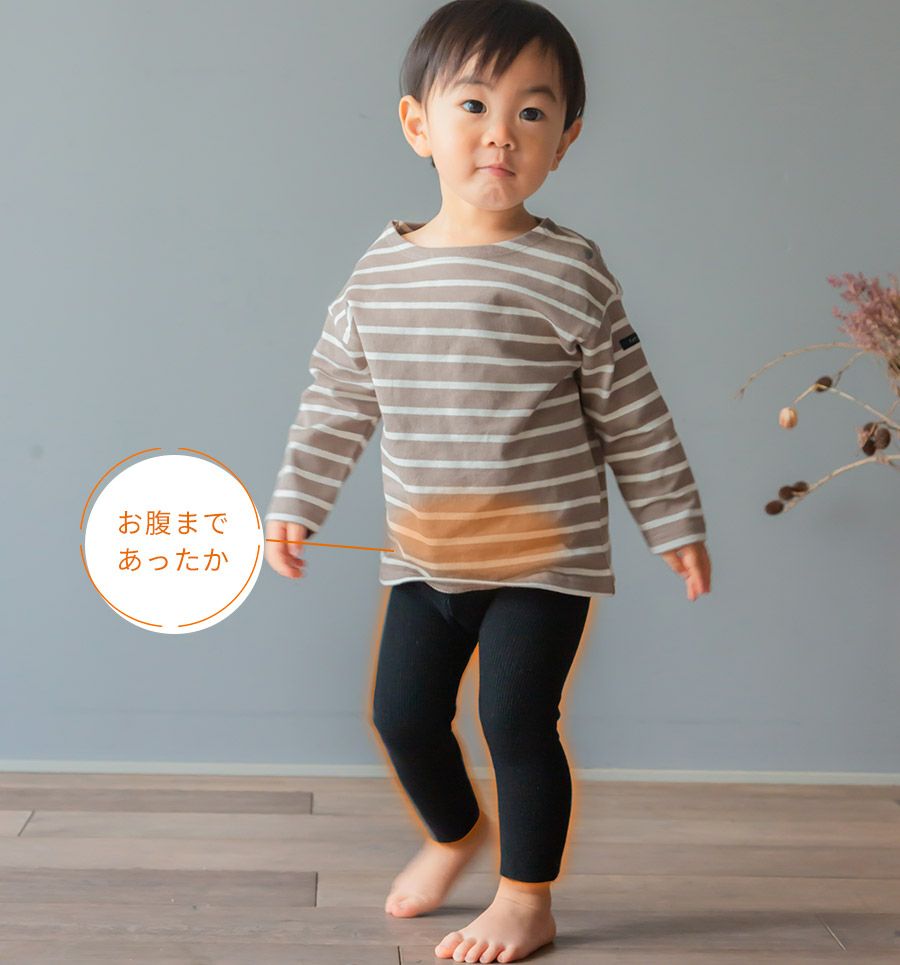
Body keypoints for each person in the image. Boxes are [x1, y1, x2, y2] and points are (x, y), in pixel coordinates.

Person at [264, 1, 712, 960]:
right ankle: (454, 832)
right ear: (417, 124)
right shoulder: (377, 275)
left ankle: (525, 896)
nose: (501, 132)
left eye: (532, 112)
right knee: (401, 716)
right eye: (473, 105)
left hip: (543, 557)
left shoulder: (571, 270)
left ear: (566, 139)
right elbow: (336, 401)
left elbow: (632, 409)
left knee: (514, 717)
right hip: (424, 555)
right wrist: (298, 500)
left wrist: (673, 520)